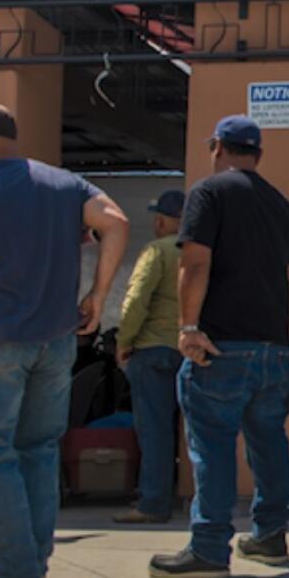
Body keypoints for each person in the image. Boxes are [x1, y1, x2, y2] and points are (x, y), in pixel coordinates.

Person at [0, 102, 131, 578]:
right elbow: (117, 222)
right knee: (39, 450)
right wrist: (98, 295)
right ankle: (34, 562)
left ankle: (14, 570)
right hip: (57, 336)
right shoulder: (65, 185)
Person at [150, 116, 289, 578]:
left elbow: (195, 262)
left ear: (217, 146)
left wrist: (188, 327)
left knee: (213, 446)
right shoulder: (280, 203)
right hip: (272, 346)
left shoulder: (208, 192)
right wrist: (277, 328)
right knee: (269, 442)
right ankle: (271, 535)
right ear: (257, 154)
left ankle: (209, 547)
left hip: (220, 345)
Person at [113, 189, 186, 525]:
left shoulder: (156, 251)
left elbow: (136, 300)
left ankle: (153, 502)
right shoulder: (201, 251)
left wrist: (124, 341)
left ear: (165, 221)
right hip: (189, 350)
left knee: (154, 430)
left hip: (153, 350)